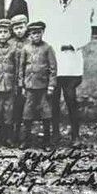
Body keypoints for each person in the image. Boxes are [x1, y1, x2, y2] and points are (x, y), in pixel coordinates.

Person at [45, 0, 93, 146]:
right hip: (55, 61)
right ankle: (55, 134)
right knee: (54, 101)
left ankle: (75, 136)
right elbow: (48, 32)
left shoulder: (81, 8)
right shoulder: (52, 7)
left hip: (71, 61)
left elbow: (87, 34)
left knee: (71, 99)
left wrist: (72, 44)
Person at [19, 20, 58, 149]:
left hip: (43, 87)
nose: (36, 36)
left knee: (46, 113)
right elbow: (21, 68)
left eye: (38, 33)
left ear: (42, 33)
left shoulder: (47, 48)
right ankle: (26, 140)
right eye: (33, 34)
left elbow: (53, 69)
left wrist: (51, 85)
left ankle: (47, 141)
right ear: (29, 35)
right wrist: (22, 85)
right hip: (29, 87)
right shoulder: (26, 48)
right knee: (27, 113)